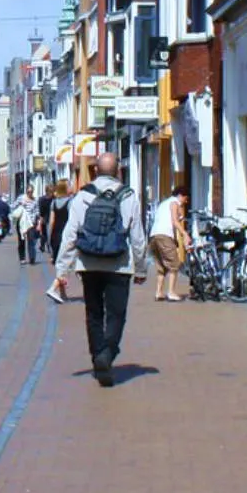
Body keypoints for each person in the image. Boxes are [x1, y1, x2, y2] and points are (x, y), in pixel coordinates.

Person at [56, 153, 148, 386]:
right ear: (118, 171)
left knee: (94, 312)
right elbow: (137, 236)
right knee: (116, 314)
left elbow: (70, 234)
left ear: (95, 171)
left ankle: (98, 355)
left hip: (89, 263)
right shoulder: (129, 196)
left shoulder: (83, 195)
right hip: (119, 264)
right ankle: (107, 353)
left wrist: (62, 270)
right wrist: (140, 268)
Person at [150, 184, 192, 302]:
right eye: (185, 198)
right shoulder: (174, 203)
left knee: (161, 266)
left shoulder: (163, 203)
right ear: (180, 196)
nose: (185, 202)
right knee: (175, 264)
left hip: (154, 236)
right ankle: (171, 292)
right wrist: (185, 234)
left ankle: (159, 292)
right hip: (164, 235)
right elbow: (174, 221)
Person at [45, 180, 75, 303]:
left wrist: (49, 237)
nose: (72, 187)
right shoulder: (70, 202)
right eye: (70, 185)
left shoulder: (53, 203)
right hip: (66, 235)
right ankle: (54, 288)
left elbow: (51, 222)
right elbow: (73, 220)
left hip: (55, 235)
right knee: (66, 264)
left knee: (60, 263)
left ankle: (63, 294)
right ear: (65, 188)